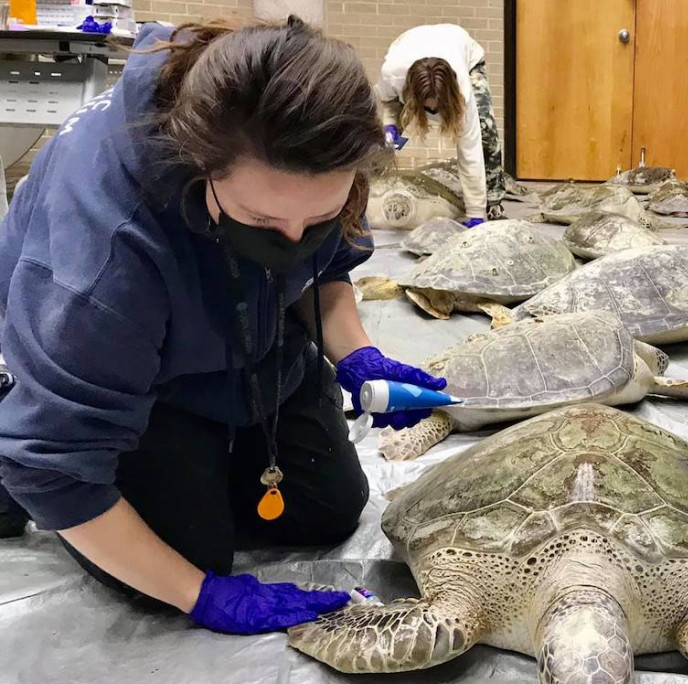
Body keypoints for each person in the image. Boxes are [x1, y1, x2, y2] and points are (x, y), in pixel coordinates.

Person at [0, 18, 448, 635]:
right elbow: (51, 468)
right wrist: (202, 595)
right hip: (138, 374)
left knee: (327, 512)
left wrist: (358, 357)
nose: (294, 241)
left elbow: (324, 270)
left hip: (253, 337)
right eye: (263, 220)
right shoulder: (104, 261)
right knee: (183, 562)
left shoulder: (317, 152)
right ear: (198, 165)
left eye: (316, 218)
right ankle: (23, 419)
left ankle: (205, 459)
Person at [376, 23, 504, 225]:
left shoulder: (462, 90)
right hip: (407, 44)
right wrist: (389, 125)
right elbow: (388, 102)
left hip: (466, 56)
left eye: (437, 109)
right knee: (381, 140)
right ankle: (367, 192)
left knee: (485, 130)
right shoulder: (392, 74)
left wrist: (476, 213)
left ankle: (492, 201)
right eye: (428, 108)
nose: (433, 114)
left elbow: (470, 153)